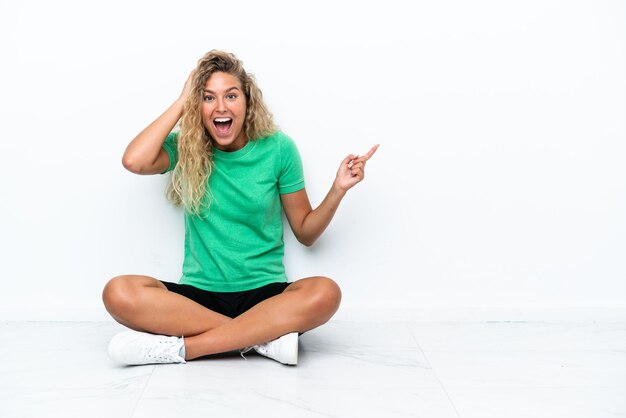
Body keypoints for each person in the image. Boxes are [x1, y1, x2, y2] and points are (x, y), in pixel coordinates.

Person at [103, 50, 378, 366]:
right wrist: (182, 100)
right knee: (118, 292)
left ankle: (185, 350)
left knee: (326, 292)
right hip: (198, 301)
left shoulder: (278, 148)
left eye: (231, 96)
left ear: (247, 103)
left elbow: (306, 232)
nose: (220, 107)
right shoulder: (187, 146)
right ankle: (264, 341)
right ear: (198, 105)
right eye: (208, 98)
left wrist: (337, 189)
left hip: (266, 298)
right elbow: (134, 161)